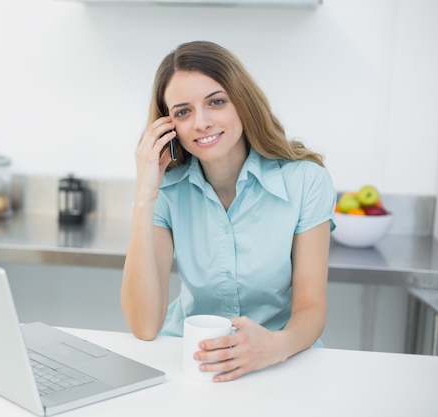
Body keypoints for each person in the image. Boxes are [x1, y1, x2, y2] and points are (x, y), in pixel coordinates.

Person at [121, 40, 336, 383]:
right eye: (182, 111)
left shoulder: (306, 180)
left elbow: (311, 307)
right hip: (191, 364)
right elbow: (145, 327)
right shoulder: (166, 189)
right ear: (168, 126)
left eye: (216, 102)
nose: (201, 122)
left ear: (242, 102)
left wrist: (275, 347)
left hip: (282, 361)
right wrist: (145, 195)